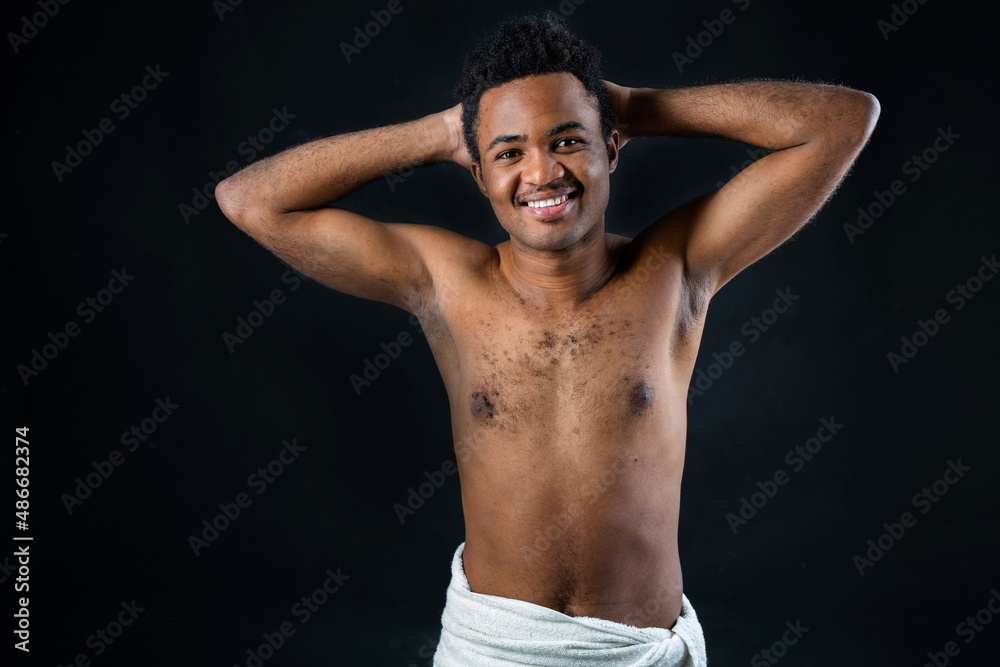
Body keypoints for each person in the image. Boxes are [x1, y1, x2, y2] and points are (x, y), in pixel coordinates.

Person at [215, 12, 879, 666]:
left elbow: (841, 121)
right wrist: (445, 131)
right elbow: (251, 200)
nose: (541, 173)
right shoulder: (444, 281)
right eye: (509, 153)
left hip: (637, 651)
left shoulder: (676, 266)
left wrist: (632, 107)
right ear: (478, 173)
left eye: (567, 141)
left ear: (611, 149)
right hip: (493, 648)